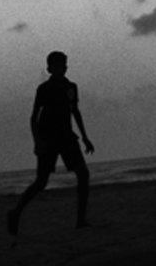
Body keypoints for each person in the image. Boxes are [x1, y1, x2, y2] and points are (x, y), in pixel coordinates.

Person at [7, 51, 95, 236]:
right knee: (41, 182)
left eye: (64, 65)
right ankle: (15, 213)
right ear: (49, 69)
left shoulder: (71, 87)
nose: (62, 68)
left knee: (83, 174)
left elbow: (75, 111)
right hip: (48, 138)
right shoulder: (44, 89)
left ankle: (81, 220)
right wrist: (37, 142)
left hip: (67, 137)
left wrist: (85, 137)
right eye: (58, 66)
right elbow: (34, 117)